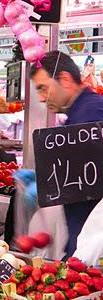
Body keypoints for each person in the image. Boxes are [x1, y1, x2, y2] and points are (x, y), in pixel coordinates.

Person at [30, 50, 103, 258]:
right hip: (82, 232)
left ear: (65, 79)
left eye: (43, 89)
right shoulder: (80, 113)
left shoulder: (91, 115)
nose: (42, 98)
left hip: (94, 235)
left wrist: (49, 184)